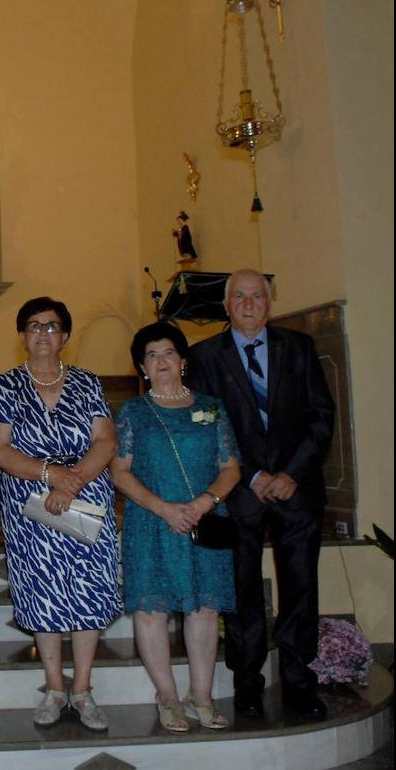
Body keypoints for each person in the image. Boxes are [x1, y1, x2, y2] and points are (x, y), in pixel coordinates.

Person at [187, 269, 335, 721]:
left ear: (269, 304)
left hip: (296, 489)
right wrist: (249, 476)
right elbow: (204, 424)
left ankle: (299, 681)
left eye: (257, 296)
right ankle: (247, 683)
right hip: (239, 492)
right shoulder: (204, 356)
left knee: (301, 589)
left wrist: (291, 472)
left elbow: (321, 416)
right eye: (240, 297)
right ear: (227, 306)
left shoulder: (299, 348)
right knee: (243, 591)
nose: (249, 303)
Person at [0, 296, 121, 731]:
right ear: (21, 335)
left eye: (51, 326)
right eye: (34, 325)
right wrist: (50, 475)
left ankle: (82, 689)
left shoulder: (88, 382)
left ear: (64, 335)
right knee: (42, 591)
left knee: (88, 590)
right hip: (30, 502)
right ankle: (54, 688)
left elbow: (104, 441)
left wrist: (74, 480)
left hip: (85, 494)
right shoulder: (5, 386)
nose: (43, 333)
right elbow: (0, 450)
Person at [112, 321, 241, 732]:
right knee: (152, 610)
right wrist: (164, 508)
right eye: (151, 355)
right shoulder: (132, 412)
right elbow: (119, 471)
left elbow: (230, 467)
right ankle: (168, 697)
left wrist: (204, 503)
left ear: (182, 361)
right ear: (142, 367)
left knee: (203, 609)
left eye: (168, 352)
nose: (161, 361)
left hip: (205, 522)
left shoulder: (211, 408)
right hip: (151, 523)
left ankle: (201, 696)